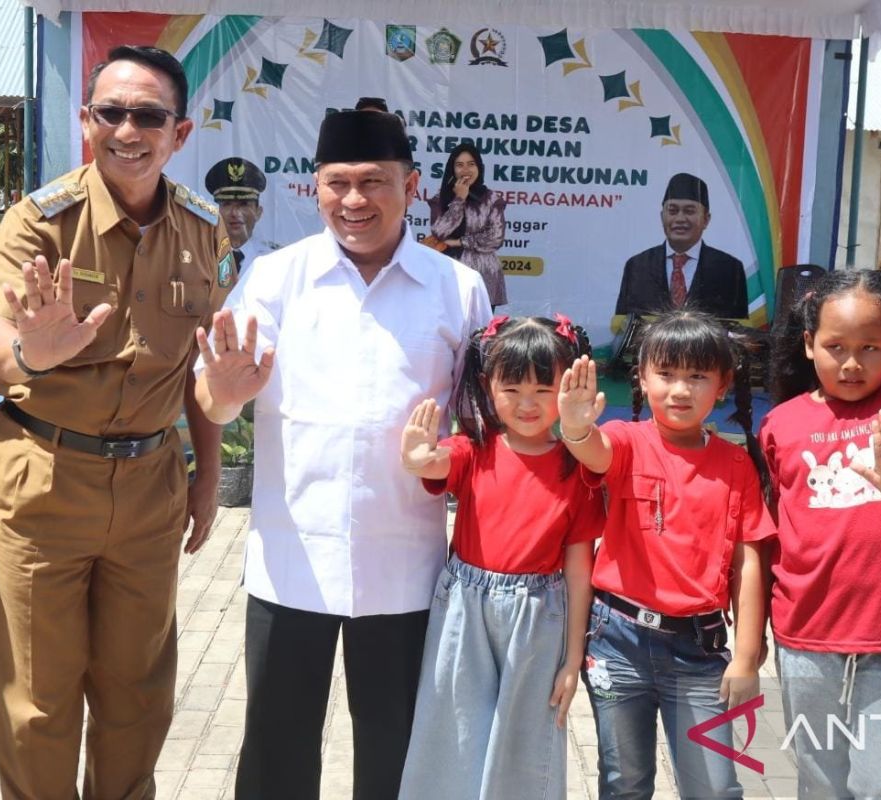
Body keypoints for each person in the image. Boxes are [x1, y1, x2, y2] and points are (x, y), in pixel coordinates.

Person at [192, 108, 490, 799]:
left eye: (374, 182)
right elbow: (214, 400)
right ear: (314, 189)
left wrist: (443, 457)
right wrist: (220, 391)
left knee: (396, 747)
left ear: (413, 186)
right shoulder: (275, 279)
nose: (354, 201)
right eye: (338, 183)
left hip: (405, 569)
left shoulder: (457, 289)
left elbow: (482, 425)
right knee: (275, 745)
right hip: (290, 561)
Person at [0, 45, 232, 798]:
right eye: (110, 112)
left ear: (178, 133)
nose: (128, 129)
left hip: (152, 486)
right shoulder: (38, 222)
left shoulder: (202, 229)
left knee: (138, 694)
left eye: (147, 115)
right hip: (42, 485)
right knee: (37, 701)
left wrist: (207, 474)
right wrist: (32, 352)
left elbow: (204, 370)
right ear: (86, 122)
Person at [556, 311, 772, 799]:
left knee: (715, 789)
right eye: (667, 374)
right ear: (643, 377)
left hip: (698, 652)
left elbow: (749, 562)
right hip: (617, 644)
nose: (680, 390)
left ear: (722, 385)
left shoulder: (736, 465)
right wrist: (573, 425)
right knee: (625, 783)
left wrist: (746, 657)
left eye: (697, 376)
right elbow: (593, 450)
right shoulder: (628, 442)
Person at [397, 314, 604, 800]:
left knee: (526, 738)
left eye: (542, 388)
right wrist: (414, 458)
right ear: (487, 385)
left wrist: (573, 659)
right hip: (464, 611)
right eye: (512, 388)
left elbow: (579, 570)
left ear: (568, 385)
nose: (527, 404)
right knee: (451, 725)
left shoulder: (577, 469)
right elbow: (434, 461)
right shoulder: (475, 450)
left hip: (539, 616)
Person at [762, 270, 881, 797]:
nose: (850, 362)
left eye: (870, 347)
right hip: (805, 633)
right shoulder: (780, 423)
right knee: (820, 780)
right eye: (834, 346)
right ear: (807, 343)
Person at [612, 173, 749, 333]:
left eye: (689, 211)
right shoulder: (637, 266)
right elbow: (622, 327)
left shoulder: (729, 269)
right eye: (673, 211)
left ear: (706, 219)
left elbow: (738, 331)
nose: (680, 218)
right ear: (662, 216)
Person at [429, 142, 508, 308]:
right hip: (449, 275)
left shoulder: (492, 199)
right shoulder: (441, 198)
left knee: (480, 332)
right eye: (459, 165)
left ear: (479, 168)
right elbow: (440, 232)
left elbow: (495, 237)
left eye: (471, 164)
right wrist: (459, 199)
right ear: (452, 170)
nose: (466, 170)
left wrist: (460, 242)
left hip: (483, 276)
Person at [205, 156, 279, 276]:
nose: (235, 213)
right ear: (216, 211)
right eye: (227, 204)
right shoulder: (201, 255)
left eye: (243, 204)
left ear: (258, 212)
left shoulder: (275, 257)